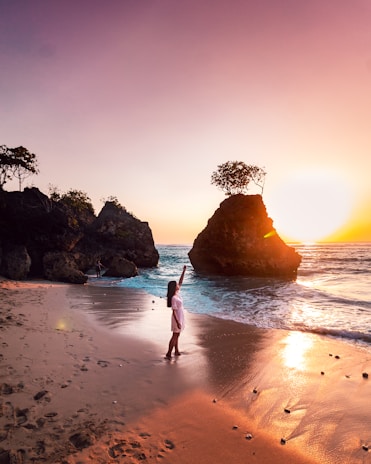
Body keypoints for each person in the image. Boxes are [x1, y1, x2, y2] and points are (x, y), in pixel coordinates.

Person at [165, 265, 187, 359]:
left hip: (180, 316)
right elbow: (174, 312)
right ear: (174, 287)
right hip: (176, 317)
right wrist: (178, 322)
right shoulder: (174, 298)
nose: (178, 285)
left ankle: (176, 350)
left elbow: (181, 281)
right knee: (175, 335)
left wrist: (184, 271)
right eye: (177, 284)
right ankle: (169, 353)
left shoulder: (176, 294)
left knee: (177, 335)